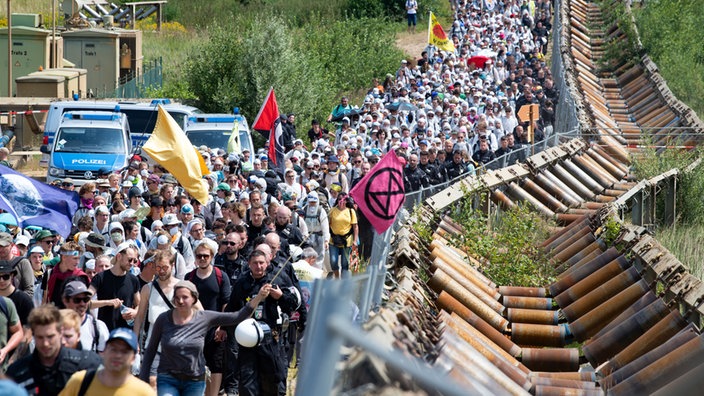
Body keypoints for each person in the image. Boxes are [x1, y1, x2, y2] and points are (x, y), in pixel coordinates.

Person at [140, 280, 270, 396]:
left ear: (194, 299)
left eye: (185, 297)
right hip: (168, 377)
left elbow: (237, 316)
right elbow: (151, 350)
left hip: (194, 380)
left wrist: (258, 297)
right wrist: (144, 379)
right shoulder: (163, 319)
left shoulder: (204, 317)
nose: (180, 301)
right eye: (177, 298)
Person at [227, 250, 299, 396]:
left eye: (261, 263)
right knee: (248, 381)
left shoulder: (277, 279)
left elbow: (292, 305)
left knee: (273, 379)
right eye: (255, 263)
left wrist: (280, 296)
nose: (258, 266)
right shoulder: (242, 282)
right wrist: (223, 328)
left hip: (270, 339)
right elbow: (232, 308)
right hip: (247, 340)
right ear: (249, 264)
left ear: (267, 263)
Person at [7, 304, 101, 395]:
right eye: (40, 337)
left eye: (50, 337)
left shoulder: (87, 364)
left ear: (60, 333)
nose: (45, 343)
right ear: (33, 335)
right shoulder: (17, 372)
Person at [185, 243, 231, 396]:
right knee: (197, 362)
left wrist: (222, 326)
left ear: (212, 257)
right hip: (195, 328)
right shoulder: (189, 277)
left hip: (215, 327)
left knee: (216, 364)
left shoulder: (220, 275)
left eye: (206, 256)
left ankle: (214, 393)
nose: (203, 259)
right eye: (199, 256)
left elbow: (225, 302)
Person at [132, 250, 180, 389]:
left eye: (165, 267)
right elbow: (140, 317)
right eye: (158, 267)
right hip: (153, 344)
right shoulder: (148, 288)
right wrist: (135, 341)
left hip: (176, 345)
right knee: (152, 382)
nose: (161, 271)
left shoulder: (182, 287)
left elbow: (199, 313)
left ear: (173, 265)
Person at [59, 328, 154, 396]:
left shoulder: (144, 392)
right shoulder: (80, 381)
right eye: (113, 349)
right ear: (103, 351)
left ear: (133, 358)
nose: (118, 355)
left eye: (124, 351)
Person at [90, 243, 141, 331]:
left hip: (125, 332)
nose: (132, 263)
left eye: (134, 261)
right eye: (129, 260)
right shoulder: (100, 278)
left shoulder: (133, 280)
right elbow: (85, 302)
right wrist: (108, 302)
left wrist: (135, 312)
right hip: (105, 331)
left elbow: (140, 304)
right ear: (119, 256)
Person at [62, 281, 110, 353]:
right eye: (77, 300)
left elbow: (104, 359)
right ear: (65, 301)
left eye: (86, 299)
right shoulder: (55, 325)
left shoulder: (97, 327)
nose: (82, 304)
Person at [327, 192, 358, 279]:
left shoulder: (351, 211)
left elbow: (355, 227)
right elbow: (327, 224)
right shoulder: (332, 210)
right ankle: (337, 278)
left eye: (343, 200)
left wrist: (355, 240)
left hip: (347, 241)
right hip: (333, 240)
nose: (341, 201)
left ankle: (343, 283)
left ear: (346, 201)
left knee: (345, 264)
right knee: (333, 261)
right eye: (339, 199)